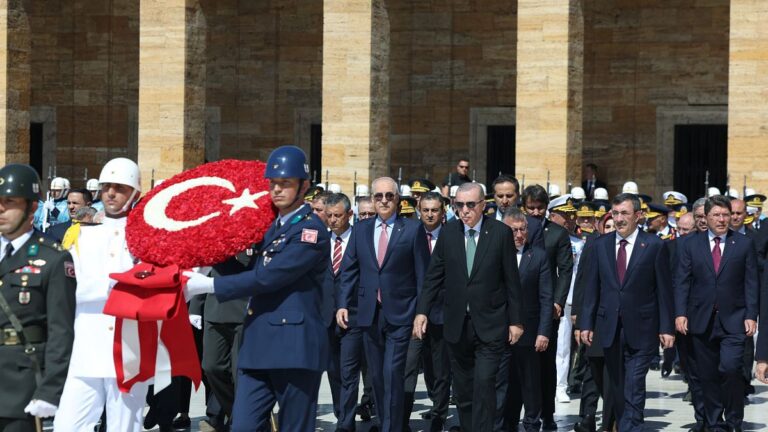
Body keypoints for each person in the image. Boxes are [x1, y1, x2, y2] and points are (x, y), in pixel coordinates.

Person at [183, 145, 331, 431]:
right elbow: (246, 265)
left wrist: (210, 285)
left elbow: (269, 277)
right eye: (273, 183)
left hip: (294, 347)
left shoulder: (310, 231)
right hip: (257, 345)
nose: (277, 189)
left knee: (294, 427)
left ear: (304, 186)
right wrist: (206, 257)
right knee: (243, 425)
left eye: (285, 183)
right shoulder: (270, 227)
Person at [414, 182, 523, 432]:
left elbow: (512, 281)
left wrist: (516, 321)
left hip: (490, 324)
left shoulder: (500, 233)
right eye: (459, 205)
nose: (464, 210)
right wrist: (422, 311)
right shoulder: (448, 233)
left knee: (484, 385)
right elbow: (433, 276)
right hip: (457, 325)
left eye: (470, 205)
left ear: (483, 205)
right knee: (463, 391)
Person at [54, 158, 148, 431]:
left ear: (135, 194)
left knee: (125, 426)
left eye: (120, 188)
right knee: (67, 424)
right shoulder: (81, 235)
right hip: (87, 344)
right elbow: (68, 286)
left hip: (130, 347)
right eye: (107, 187)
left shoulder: (146, 237)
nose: (111, 193)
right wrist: (114, 284)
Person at [337, 177, 430, 432]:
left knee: (392, 373)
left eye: (389, 195)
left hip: (401, 312)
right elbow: (349, 269)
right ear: (372, 199)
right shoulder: (361, 229)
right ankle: (385, 421)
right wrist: (343, 303)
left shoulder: (412, 229)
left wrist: (421, 312)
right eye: (379, 196)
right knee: (376, 376)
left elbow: (423, 275)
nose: (384, 200)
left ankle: (391, 427)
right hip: (369, 313)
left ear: (397, 199)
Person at [579, 193, 675, 431]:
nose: (619, 219)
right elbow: (591, 288)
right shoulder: (599, 245)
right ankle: (623, 424)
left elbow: (664, 290)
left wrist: (666, 328)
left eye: (625, 213)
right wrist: (586, 323)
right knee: (617, 384)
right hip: (609, 327)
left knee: (633, 382)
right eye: (615, 213)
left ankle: (631, 427)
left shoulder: (654, 245)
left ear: (638, 216)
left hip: (642, 327)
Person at [0, 164, 76, 431]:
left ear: (32, 207)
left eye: (10, 201)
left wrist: (50, 391)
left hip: (21, 384)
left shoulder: (53, 259)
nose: (1, 208)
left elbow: (61, 332)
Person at [675, 195, 758, 432]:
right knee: (707, 375)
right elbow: (682, 281)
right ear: (707, 217)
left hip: (734, 320)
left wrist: (751, 315)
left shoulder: (743, 244)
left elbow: (751, 282)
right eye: (716, 215)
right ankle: (714, 423)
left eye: (725, 215)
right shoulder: (690, 244)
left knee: (730, 369)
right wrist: (680, 313)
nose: (722, 220)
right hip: (701, 319)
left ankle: (733, 420)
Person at [521, 186, 574, 430]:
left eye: (540, 208)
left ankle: (548, 413)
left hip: (547, 308)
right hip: (521, 305)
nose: (535, 212)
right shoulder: (516, 231)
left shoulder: (557, 233)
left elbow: (565, 270)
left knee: (545, 363)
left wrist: (558, 301)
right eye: (530, 208)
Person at [495, 208, 553, 432]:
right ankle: (505, 424)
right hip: (500, 330)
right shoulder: (495, 254)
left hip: (529, 331)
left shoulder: (538, 256)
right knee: (503, 382)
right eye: (514, 230)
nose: (519, 235)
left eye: (523, 230)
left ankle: (531, 423)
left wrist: (543, 332)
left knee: (530, 382)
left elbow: (546, 298)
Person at [402, 192, 451, 432]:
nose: (430, 214)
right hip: (413, 313)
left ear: (443, 212)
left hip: (442, 311)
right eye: (425, 210)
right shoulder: (409, 234)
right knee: (409, 366)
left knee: (440, 370)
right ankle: (402, 418)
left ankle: (439, 415)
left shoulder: (452, 236)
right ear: (419, 211)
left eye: (435, 210)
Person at [324, 192, 363, 432]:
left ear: (349, 214)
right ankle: (341, 413)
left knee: (349, 372)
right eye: (329, 216)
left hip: (353, 316)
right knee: (333, 371)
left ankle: (346, 424)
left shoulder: (361, 239)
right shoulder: (320, 241)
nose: (332, 220)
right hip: (326, 318)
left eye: (337, 215)